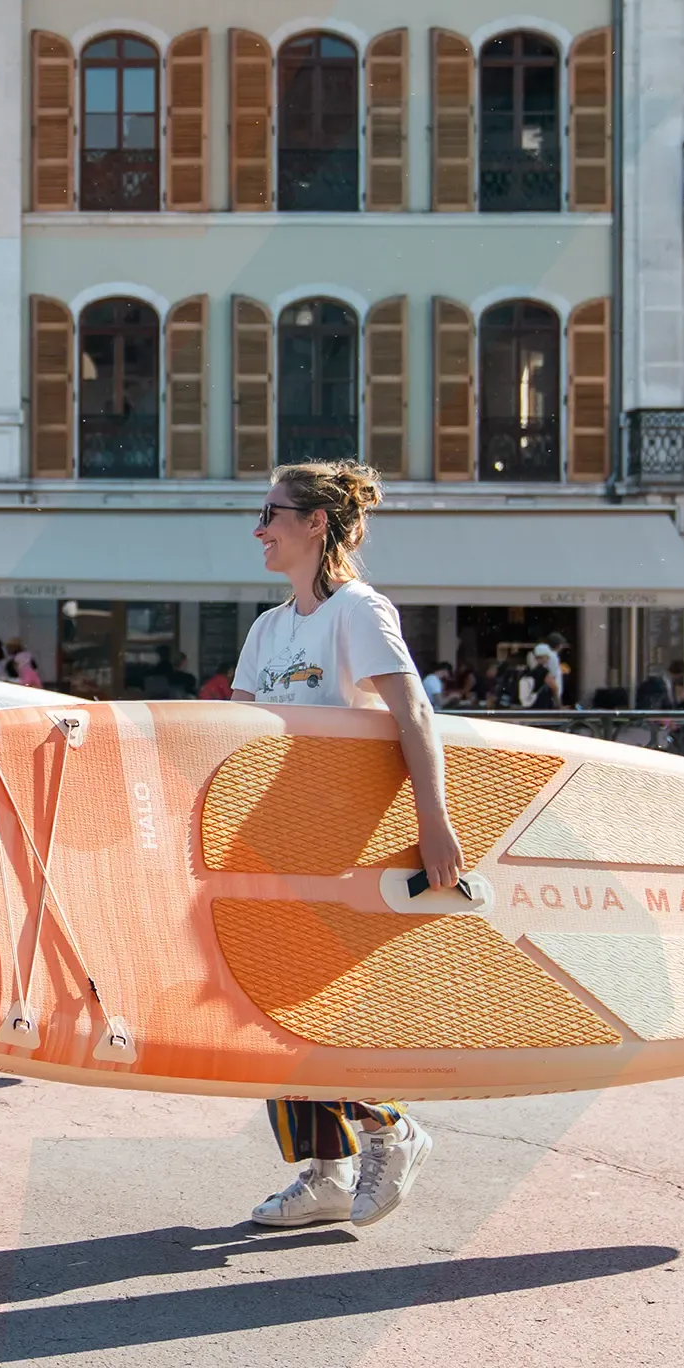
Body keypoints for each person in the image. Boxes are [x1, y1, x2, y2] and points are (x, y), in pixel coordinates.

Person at [232, 459, 466, 1229]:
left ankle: (390, 1128)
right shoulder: (267, 629)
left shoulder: (359, 611)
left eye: (272, 514)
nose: (259, 529)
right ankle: (328, 1173)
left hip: (340, 840)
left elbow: (414, 715)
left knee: (307, 1002)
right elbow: (237, 740)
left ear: (314, 524)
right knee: (264, 999)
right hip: (273, 838)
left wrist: (434, 822)